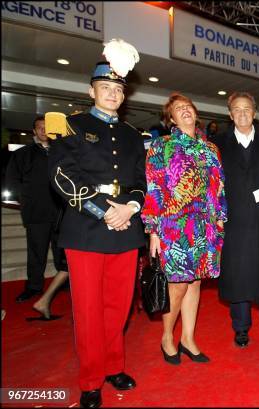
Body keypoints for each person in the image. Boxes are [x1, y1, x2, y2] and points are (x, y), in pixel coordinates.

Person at [47, 39, 145, 408]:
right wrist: (105, 210)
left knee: (118, 308)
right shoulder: (71, 126)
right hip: (87, 230)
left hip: (126, 230)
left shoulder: (135, 136)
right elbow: (61, 175)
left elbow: (141, 180)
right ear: (92, 90)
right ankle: (90, 380)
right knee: (88, 311)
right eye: (106, 87)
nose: (113, 94)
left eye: (118, 89)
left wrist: (131, 206)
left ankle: (114, 366)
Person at [141, 93, 226, 365]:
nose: (185, 110)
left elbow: (219, 188)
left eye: (188, 106)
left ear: (196, 113)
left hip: (206, 226)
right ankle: (167, 336)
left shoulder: (211, 149)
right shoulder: (160, 146)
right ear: (171, 119)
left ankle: (188, 338)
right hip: (173, 226)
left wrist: (220, 220)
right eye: (178, 109)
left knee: (196, 282)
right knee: (177, 285)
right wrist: (153, 230)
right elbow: (153, 189)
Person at [210, 92, 259, 348]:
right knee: (238, 273)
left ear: (255, 113)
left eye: (247, 109)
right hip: (234, 221)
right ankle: (241, 327)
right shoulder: (217, 144)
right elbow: (211, 186)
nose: (243, 113)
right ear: (230, 114)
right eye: (237, 109)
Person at [5, 116, 69, 309]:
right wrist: (23, 200)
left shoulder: (62, 153)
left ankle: (64, 284)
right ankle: (34, 286)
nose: (43, 131)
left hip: (61, 213)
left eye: (46, 127)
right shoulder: (23, 154)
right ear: (34, 131)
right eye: (39, 128)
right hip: (36, 212)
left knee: (62, 252)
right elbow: (12, 179)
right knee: (36, 252)